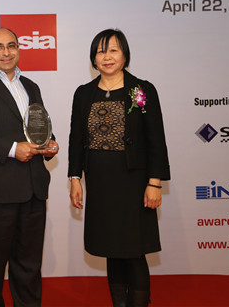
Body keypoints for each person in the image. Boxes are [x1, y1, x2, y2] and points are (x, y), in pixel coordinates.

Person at [67, 29, 170, 307]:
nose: (107, 57)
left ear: (125, 55)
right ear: (94, 58)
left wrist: (154, 182)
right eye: (101, 51)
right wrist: (75, 177)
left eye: (113, 50)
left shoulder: (140, 91)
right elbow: (76, 138)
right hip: (100, 182)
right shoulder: (84, 93)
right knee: (111, 249)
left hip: (133, 182)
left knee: (134, 251)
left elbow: (155, 138)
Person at [0, 27, 59, 307]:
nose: (6, 52)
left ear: (18, 49)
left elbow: (39, 128)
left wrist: (50, 144)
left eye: (11, 46)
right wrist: (14, 149)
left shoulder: (31, 86)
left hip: (33, 189)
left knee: (29, 266)